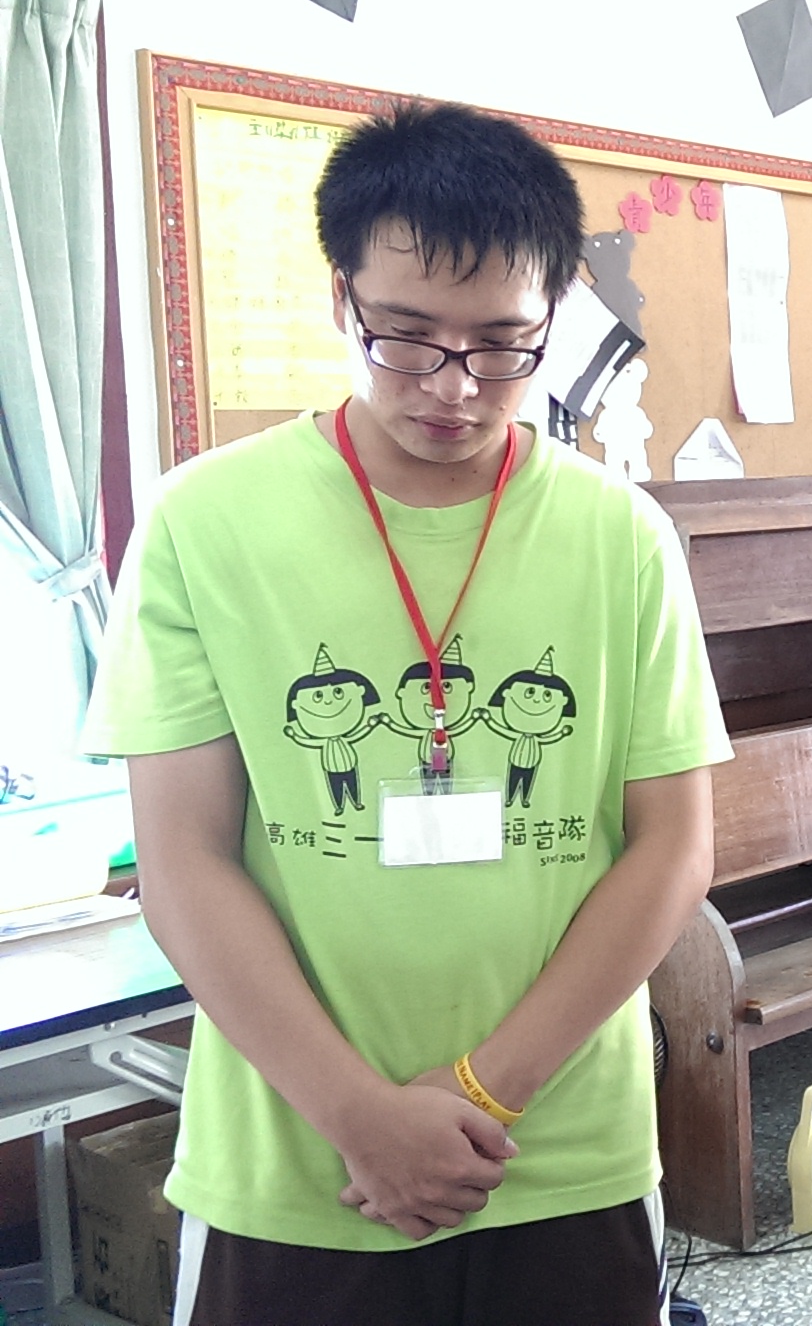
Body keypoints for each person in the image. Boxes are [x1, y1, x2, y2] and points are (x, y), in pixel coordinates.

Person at [81, 102, 731, 1326]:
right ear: (342, 299)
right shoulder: (203, 523)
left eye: (502, 345)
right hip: (296, 1164)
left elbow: (671, 848)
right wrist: (360, 1114)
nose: (454, 385)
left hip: (562, 1157)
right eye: (407, 336)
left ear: (556, 318)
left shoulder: (622, 537)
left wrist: (482, 1092)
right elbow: (182, 861)